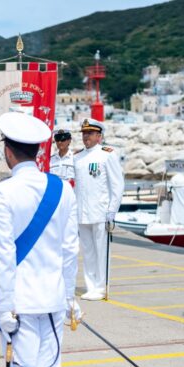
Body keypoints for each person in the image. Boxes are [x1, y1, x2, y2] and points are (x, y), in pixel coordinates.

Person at [0, 111, 80, 367]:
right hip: (55, 299)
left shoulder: (2, 193)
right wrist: (71, 297)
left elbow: (3, 257)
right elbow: (70, 250)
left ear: (9, 152)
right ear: (40, 151)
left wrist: (3, 307)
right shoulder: (63, 189)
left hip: (21, 302)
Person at [73, 118, 125, 300]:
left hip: (101, 211)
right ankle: (91, 286)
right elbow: (77, 187)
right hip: (82, 212)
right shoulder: (77, 157)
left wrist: (112, 211)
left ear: (99, 136)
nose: (86, 136)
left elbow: (117, 184)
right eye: (84, 133)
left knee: (101, 251)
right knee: (87, 252)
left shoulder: (107, 154)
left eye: (90, 133)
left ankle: (101, 287)